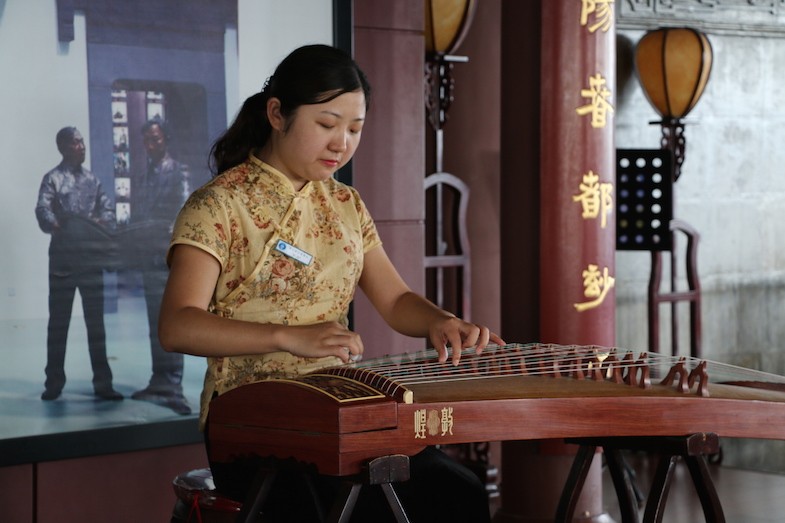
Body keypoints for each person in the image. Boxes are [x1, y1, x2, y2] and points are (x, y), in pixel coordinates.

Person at [158, 44, 504, 522]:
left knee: (454, 492)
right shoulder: (218, 205)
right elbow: (177, 325)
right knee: (333, 508)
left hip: (334, 408)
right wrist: (287, 337)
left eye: (355, 128)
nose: (342, 142)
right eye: (326, 124)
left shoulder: (346, 204)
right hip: (251, 420)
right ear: (277, 114)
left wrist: (440, 322)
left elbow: (396, 298)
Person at [35, 126, 123, 401]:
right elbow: (42, 209)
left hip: (90, 260)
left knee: (96, 325)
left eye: (82, 141)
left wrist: (92, 225)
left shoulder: (91, 180)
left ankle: (103, 384)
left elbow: (107, 209)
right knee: (58, 323)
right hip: (62, 260)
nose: (81, 146)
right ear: (63, 148)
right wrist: (62, 225)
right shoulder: (53, 179)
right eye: (75, 142)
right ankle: (53, 382)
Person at [129, 119, 192, 414]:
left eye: (154, 139)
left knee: (172, 322)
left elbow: (182, 214)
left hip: (168, 259)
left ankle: (173, 386)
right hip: (146, 257)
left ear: (165, 139)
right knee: (155, 322)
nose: (150, 145)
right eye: (146, 140)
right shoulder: (143, 176)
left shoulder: (177, 172)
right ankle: (159, 380)